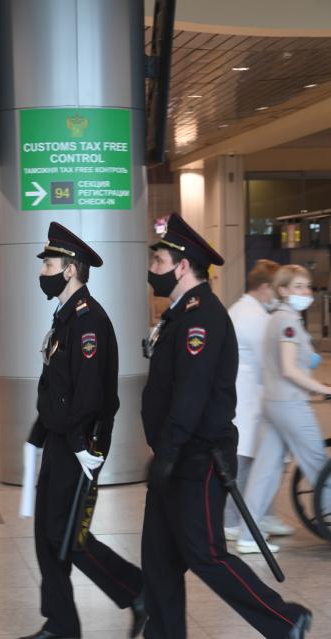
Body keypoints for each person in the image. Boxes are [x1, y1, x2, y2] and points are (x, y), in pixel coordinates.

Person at [141, 213, 312, 639]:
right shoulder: (179, 314)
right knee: (159, 559)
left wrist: (169, 452)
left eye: (158, 261)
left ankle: (285, 620)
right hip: (173, 454)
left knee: (207, 554)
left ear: (182, 266)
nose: (153, 270)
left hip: (197, 457)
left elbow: (192, 395)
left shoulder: (203, 317)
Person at [20, 222, 146, 639]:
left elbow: (89, 395)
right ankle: (60, 624)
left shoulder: (89, 322)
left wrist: (74, 442)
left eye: (49, 264)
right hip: (62, 437)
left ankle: (138, 591)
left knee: (68, 534)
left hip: (82, 443)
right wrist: (41, 431)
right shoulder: (66, 318)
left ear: (70, 270)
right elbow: (58, 387)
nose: (43, 271)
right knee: (46, 533)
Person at [237, 264, 331, 553]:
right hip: (290, 404)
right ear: (283, 290)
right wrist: (326, 389)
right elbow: (290, 369)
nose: (306, 292)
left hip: (273, 403)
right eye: (298, 286)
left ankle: (248, 535)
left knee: (266, 469)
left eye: (307, 286)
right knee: (317, 463)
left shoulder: (276, 318)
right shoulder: (288, 321)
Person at [225, 259, 294, 543]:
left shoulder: (244, 309)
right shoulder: (253, 317)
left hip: (250, 398)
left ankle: (260, 513)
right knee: (246, 463)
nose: (279, 295)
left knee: (256, 460)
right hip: (249, 399)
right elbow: (273, 362)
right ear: (266, 287)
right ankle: (232, 521)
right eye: (278, 289)